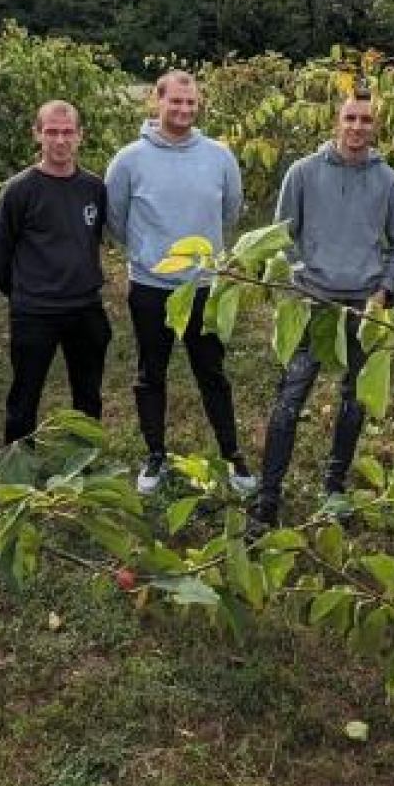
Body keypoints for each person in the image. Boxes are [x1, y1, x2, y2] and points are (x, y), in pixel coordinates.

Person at [252, 88, 394, 529]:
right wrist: (294, 286)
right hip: (313, 302)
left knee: (354, 401)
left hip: (363, 306)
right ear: (336, 121)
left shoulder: (389, 181)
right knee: (290, 398)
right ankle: (268, 498)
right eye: (350, 118)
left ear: (376, 124)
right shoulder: (303, 173)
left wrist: (383, 292)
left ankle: (334, 488)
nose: (357, 127)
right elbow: (280, 239)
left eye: (366, 119)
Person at [104, 71, 248, 495]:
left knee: (212, 372)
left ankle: (232, 454)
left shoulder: (220, 156)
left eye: (191, 103)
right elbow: (116, 218)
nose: (184, 110)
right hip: (151, 288)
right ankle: (155, 454)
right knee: (152, 371)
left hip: (205, 286)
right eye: (176, 102)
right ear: (157, 102)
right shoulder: (128, 160)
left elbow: (230, 212)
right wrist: (149, 255)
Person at [0, 100, 111, 446]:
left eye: (67, 132)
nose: (60, 140)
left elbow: (92, 236)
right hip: (35, 311)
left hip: (85, 307)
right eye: (51, 132)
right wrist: (22, 291)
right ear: (37, 135)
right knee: (25, 394)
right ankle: (17, 463)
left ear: (80, 136)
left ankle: (84, 458)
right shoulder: (19, 190)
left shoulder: (94, 188)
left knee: (88, 393)